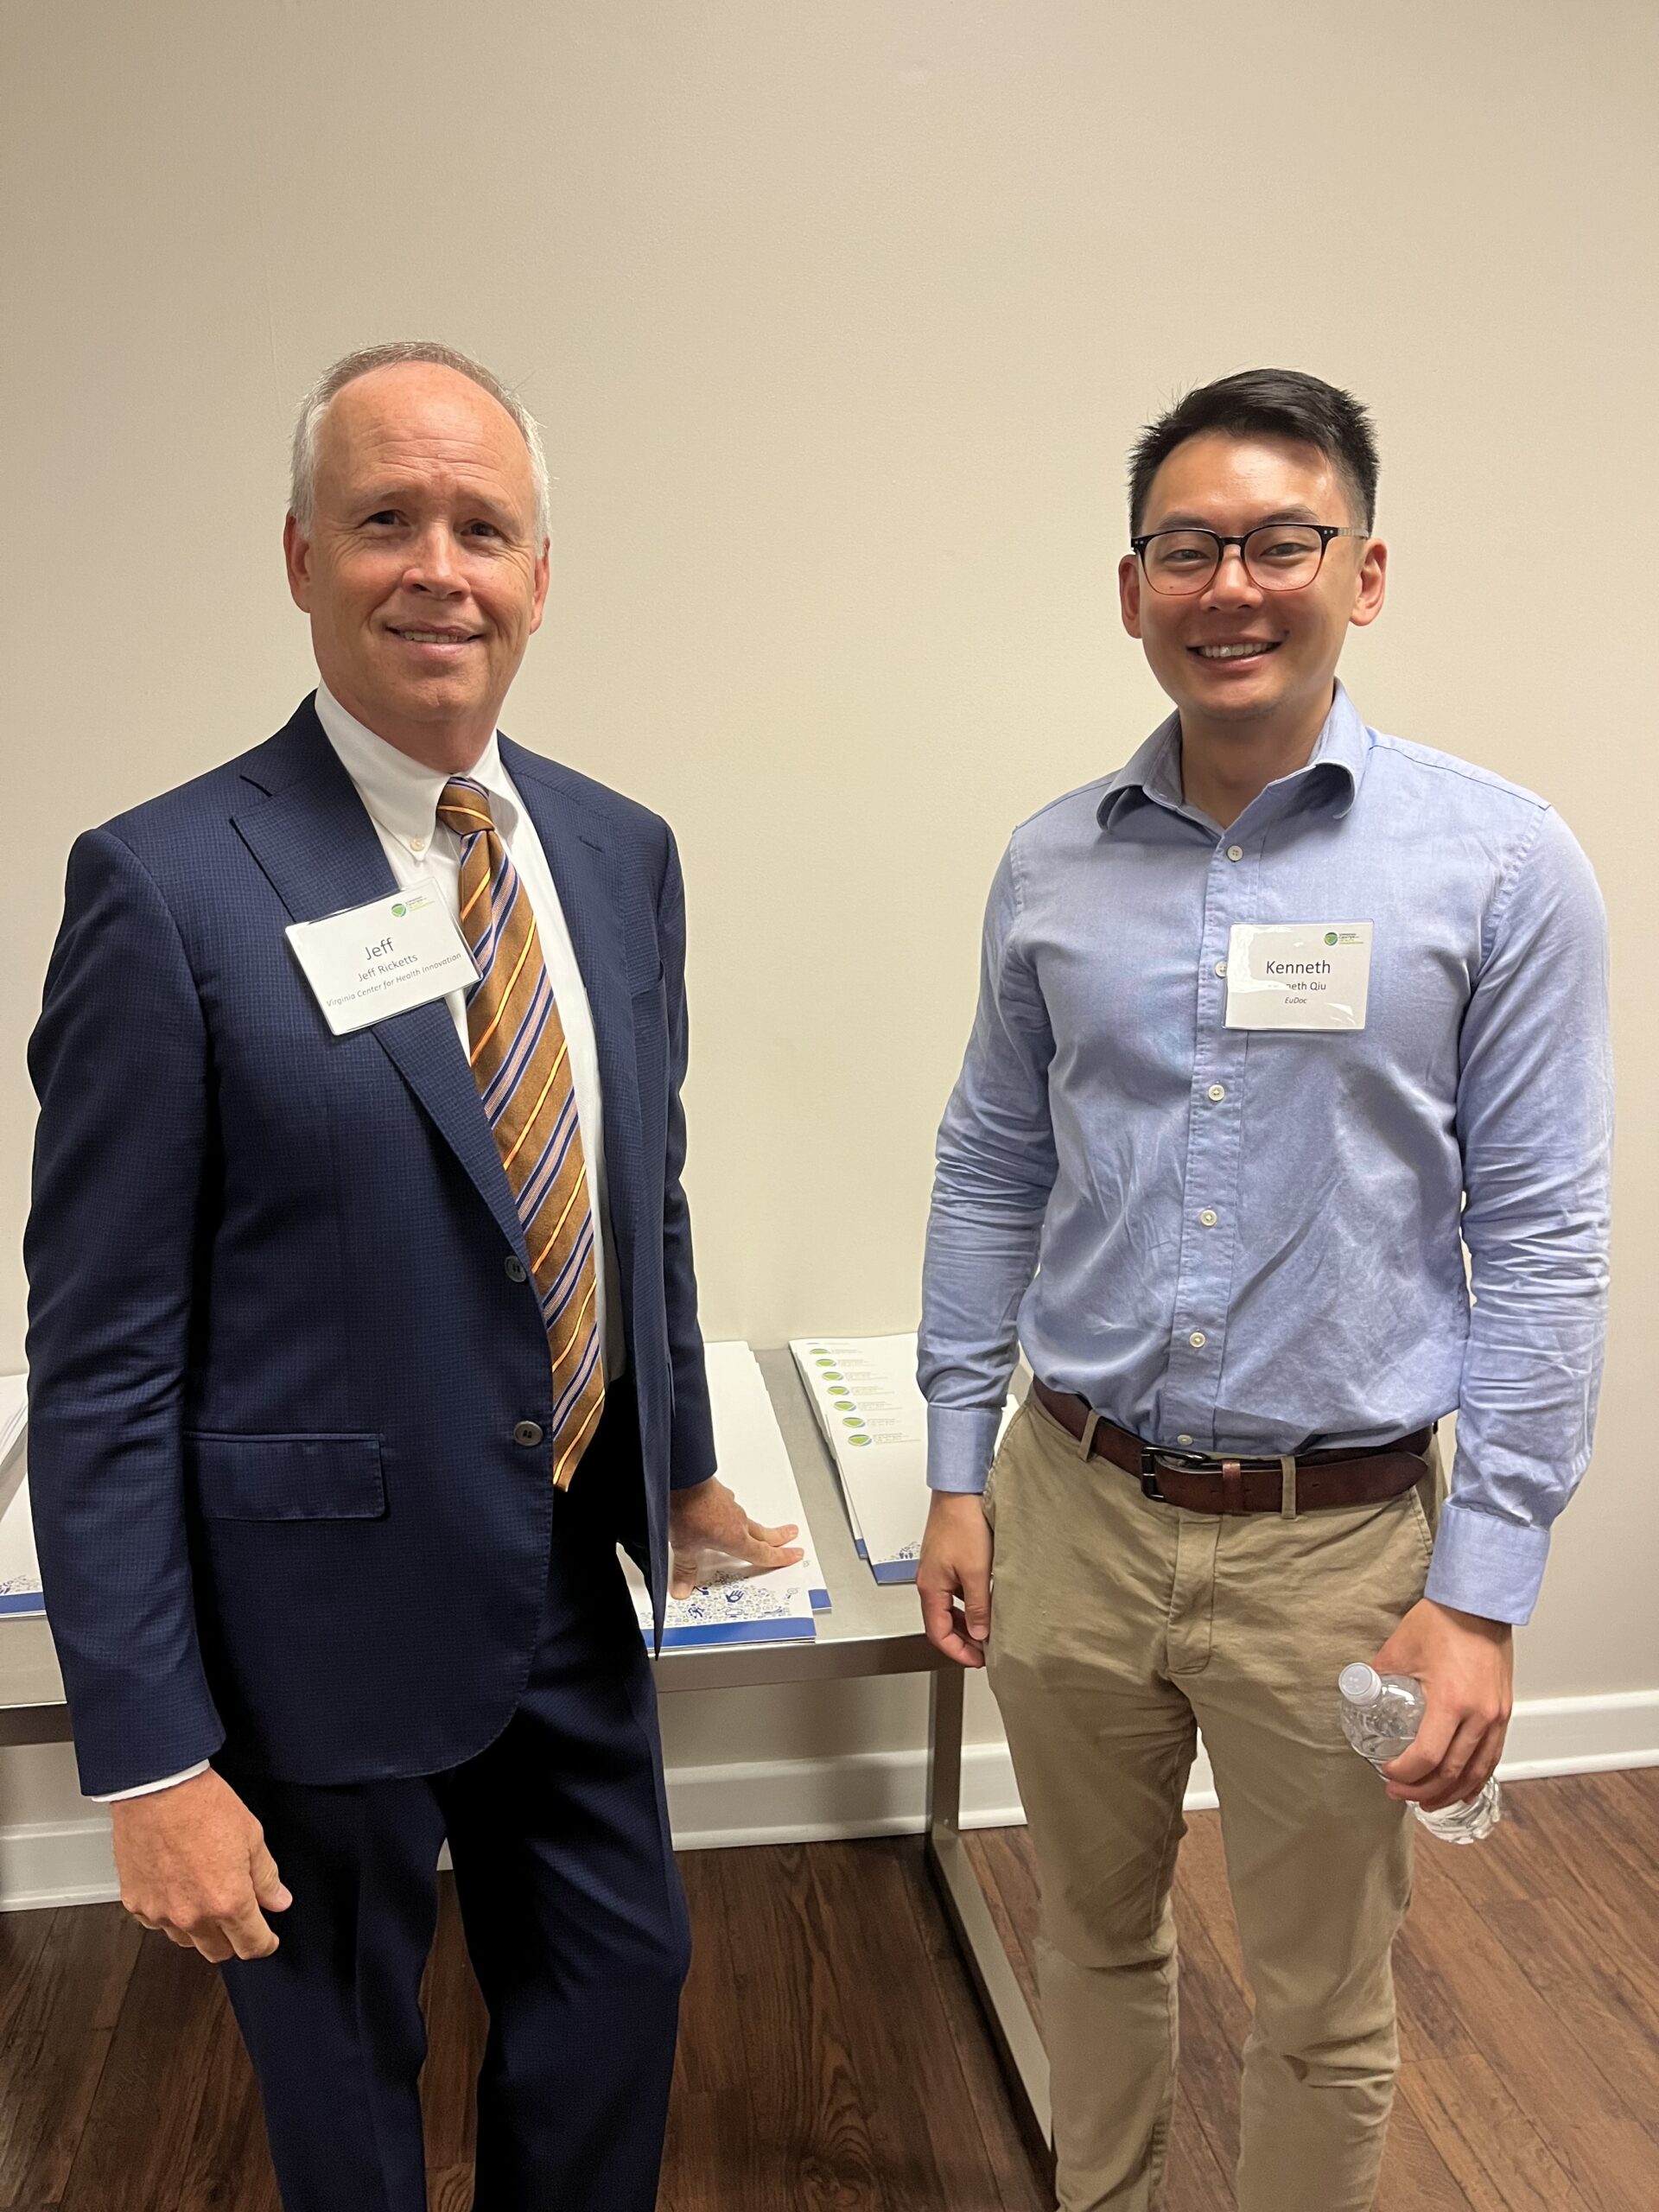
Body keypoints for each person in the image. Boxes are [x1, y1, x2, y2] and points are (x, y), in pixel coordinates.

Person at [25, 340, 802, 2212]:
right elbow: (102, 1356)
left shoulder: (617, 851)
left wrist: (681, 1457)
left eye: (482, 527)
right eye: (386, 520)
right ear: (303, 559)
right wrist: (147, 1754)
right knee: (346, 2083)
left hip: (566, 1576)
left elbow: (635, 1190)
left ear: (539, 573)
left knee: (619, 1989)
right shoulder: (167, 885)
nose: (438, 568)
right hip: (307, 1625)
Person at [915, 369, 1611, 2212]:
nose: (1231, 586)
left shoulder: (1504, 865)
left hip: (1340, 1550)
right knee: (1089, 1937)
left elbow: (1546, 1239)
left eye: (1280, 543)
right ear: (1131, 587)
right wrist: (958, 1468)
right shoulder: (1051, 862)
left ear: (1363, 573)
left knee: (1319, 2006)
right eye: (1187, 548)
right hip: (1073, 1503)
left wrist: (1484, 1591)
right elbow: (990, 1162)